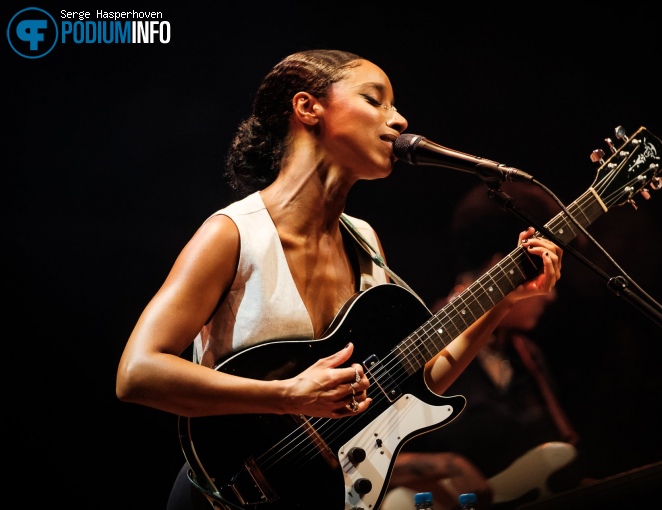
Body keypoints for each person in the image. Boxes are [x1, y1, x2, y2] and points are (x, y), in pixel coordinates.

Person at [115, 49, 563, 510]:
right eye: (376, 100)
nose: (401, 120)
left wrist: (503, 302)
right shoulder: (233, 233)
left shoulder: (363, 239)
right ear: (308, 108)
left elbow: (411, 381)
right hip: (225, 494)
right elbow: (137, 373)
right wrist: (287, 396)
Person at [381, 182, 584, 510]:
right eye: (537, 266)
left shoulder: (527, 356)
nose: (552, 294)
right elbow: (354, 455)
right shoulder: (419, 348)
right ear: (500, 266)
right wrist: (446, 464)